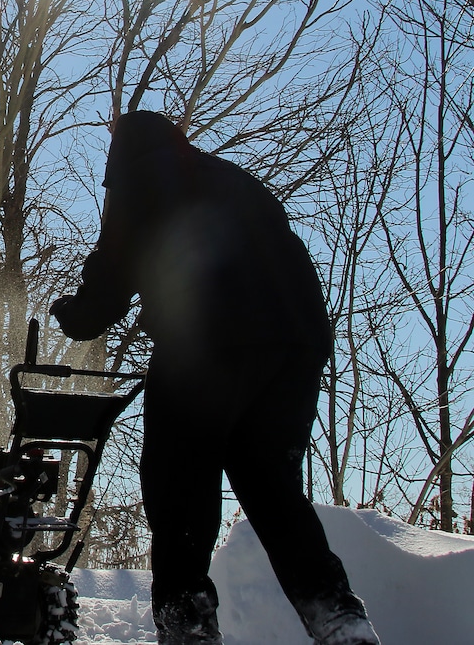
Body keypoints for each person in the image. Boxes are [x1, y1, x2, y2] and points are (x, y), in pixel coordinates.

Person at [49, 111, 379, 645]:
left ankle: (188, 628)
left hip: (208, 341)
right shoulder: (229, 177)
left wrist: (73, 311)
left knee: (178, 485)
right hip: (297, 343)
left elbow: (108, 285)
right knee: (272, 487)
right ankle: (339, 617)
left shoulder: (142, 180)